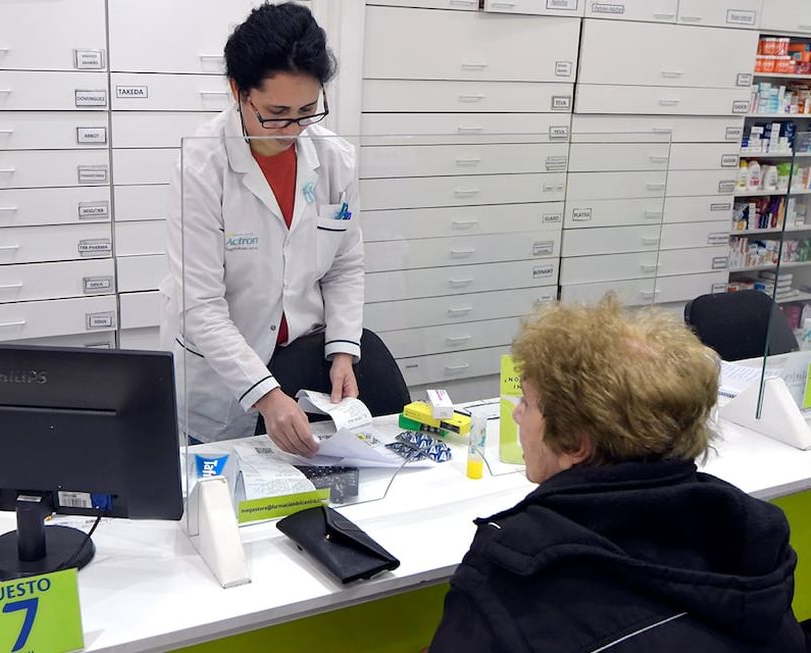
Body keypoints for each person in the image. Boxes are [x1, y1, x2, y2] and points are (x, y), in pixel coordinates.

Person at [429, 298, 804, 652]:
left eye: (527, 402)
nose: (515, 415)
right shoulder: (752, 541)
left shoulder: (508, 581)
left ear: (575, 444)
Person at [159, 2, 363, 457]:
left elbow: (345, 265)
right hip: (220, 385)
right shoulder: (200, 168)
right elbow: (201, 306)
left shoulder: (334, 159)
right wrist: (265, 396)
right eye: (276, 113)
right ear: (237, 91)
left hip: (303, 369)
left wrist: (343, 350)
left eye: (307, 110)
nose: (293, 128)